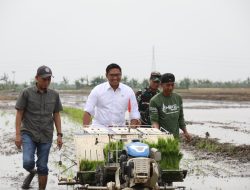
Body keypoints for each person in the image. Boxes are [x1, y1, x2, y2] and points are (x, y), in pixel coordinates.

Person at [15, 65, 63, 190]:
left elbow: (56, 114)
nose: (47, 82)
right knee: (27, 162)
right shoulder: (26, 93)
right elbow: (19, 113)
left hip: (46, 135)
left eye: (49, 79)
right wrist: (17, 135)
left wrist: (59, 135)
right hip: (28, 133)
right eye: (44, 79)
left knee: (42, 166)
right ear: (37, 78)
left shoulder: (54, 95)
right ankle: (32, 171)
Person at [83, 63, 140, 127]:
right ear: (106, 75)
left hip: (120, 129)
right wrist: (86, 130)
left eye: (117, 75)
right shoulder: (97, 90)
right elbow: (88, 111)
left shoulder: (128, 91)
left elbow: (134, 112)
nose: (115, 78)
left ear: (121, 75)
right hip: (99, 128)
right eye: (112, 75)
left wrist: (132, 130)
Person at [149, 73, 191, 140]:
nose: (170, 87)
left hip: (175, 137)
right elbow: (154, 121)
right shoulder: (154, 101)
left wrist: (185, 132)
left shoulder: (178, 98)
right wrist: (157, 134)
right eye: (168, 85)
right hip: (162, 137)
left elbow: (180, 117)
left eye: (172, 85)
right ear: (161, 85)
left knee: (174, 149)